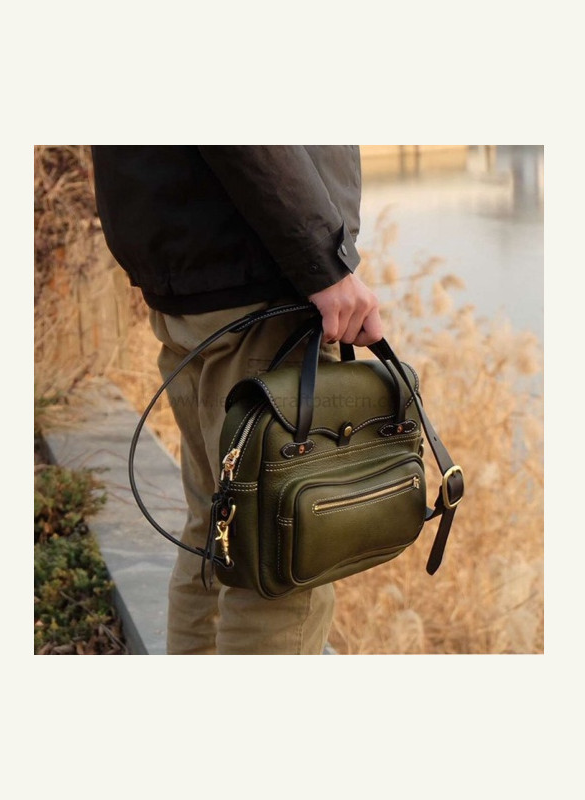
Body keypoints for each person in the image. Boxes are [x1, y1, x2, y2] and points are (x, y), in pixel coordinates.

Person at [91, 146, 383, 655]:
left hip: (196, 273)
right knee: (278, 560)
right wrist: (323, 261)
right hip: (261, 275)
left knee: (215, 528)